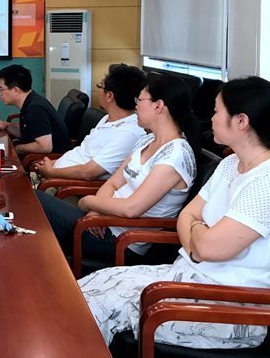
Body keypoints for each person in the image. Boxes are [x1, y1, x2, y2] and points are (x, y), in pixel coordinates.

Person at [80, 76, 270, 350]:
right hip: (186, 277)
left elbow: (208, 247)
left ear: (241, 121)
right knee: (91, 286)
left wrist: (198, 236)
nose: (211, 118)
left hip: (230, 307)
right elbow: (187, 218)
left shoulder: (264, 181)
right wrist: (198, 238)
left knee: (100, 305)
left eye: (216, 111)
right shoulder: (230, 164)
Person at [35, 73, 198, 264]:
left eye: (140, 100)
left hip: (122, 240)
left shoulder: (176, 154)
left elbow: (131, 209)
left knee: (33, 202)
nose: (136, 106)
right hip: (104, 222)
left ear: (158, 106)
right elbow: (112, 183)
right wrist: (97, 212)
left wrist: (89, 202)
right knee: (31, 203)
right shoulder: (147, 140)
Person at [33, 64, 147, 185]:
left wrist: (51, 172)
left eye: (100, 86)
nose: (98, 90)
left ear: (109, 96)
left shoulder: (128, 133)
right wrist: (51, 164)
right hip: (56, 176)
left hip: (66, 186)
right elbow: (82, 154)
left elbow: (89, 172)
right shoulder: (108, 118)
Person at [0, 65, 72, 155]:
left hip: (50, 159)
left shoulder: (35, 108)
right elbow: (27, 133)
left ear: (16, 90)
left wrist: (16, 149)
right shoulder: (31, 101)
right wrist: (7, 126)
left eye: (1, 89)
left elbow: (45, 147)